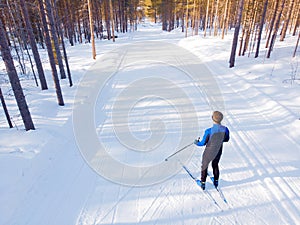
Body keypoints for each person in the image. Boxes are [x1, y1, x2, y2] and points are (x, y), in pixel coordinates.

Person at [194, 111, 230, 190]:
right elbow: (226, 139)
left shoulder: (208, 131)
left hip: (208, 152)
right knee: (215, 165)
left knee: (204, 165)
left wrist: (196, 143)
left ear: (212, 118)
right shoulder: (225, 129)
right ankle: (216, 181)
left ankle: (203, 183)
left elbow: (203, 143)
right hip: (218, 151)